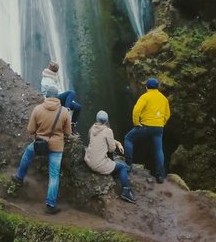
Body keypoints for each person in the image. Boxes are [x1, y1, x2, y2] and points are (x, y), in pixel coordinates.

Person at [12, 86, 73, 214]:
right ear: (57, 97)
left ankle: (19, 176)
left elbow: (30, 130)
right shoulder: (64, 112)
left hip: (40, 144)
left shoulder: (38, 109)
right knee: (54, 175)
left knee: (27, 154)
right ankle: (51, 204)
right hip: (57, 147)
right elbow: (68, 132)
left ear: (46, 95)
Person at [124, 78, 171, 183]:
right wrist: (161, 123)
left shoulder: (145, 96)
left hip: (145, 126)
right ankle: (160, 176)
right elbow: (167, 114)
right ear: (157, 87)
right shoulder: (164, 99)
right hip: (159, 128)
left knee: (128, 138)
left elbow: (136, 110)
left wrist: (136, 123)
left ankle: (128, 165)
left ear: (146, 87)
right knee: (159, 150)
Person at [84, 110, 137, 203]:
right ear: (106, 120)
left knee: (112, 161)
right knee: (122, 167)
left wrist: (116, 143)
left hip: (88, 161)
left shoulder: (92, 128)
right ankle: (126, 191)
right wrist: (115, 145)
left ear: (96, 119)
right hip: (98, 165)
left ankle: (112, 169)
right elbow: (112, 149)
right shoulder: (108, 131)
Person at [40, 61, 82, 134]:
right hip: (52, 99)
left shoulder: (52, 78)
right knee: (71, 92)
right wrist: (68, 98)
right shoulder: (46, 79)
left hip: (59, 98)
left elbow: (59, 91)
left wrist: (70, 100)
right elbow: (54, 92)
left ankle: (72, 125)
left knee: (78, 107)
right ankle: (65, 112)